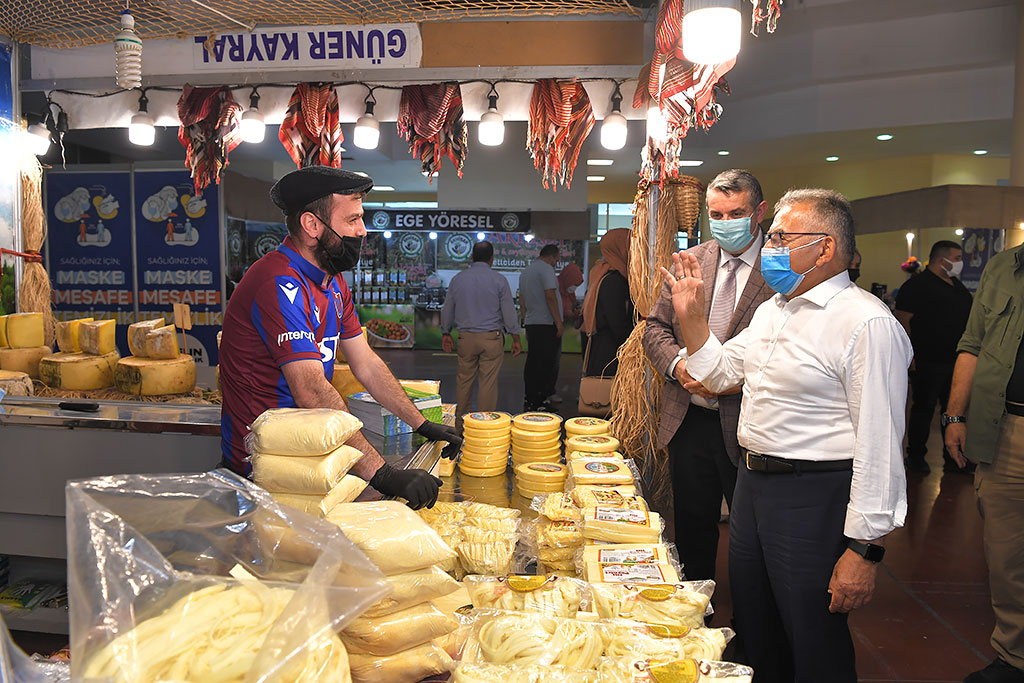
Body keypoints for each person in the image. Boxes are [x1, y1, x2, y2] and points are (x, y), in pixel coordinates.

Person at [662, 188, 912, 682]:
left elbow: (880, 447)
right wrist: (690, 319)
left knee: (812, 634)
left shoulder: (865, 322)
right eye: (771, 236)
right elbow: (716, 374)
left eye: (780, 237)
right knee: (756, 622)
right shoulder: (775, 310)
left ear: (824, 248)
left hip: (813, 493)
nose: (768, 246)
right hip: (753, 488)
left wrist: (864, 552)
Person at [218, 166, 462, 510]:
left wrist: (422, 424)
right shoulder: (277, 281)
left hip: (308, 454)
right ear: (312, 225)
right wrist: (382, 474)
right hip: (262, 470)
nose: (362, 231)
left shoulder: (332, 283)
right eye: (352, 220)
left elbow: (367, 364)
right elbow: (310, 388)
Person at [643, 169, 773, 584]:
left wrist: (731, 379)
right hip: (691, 418)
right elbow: (654, 328)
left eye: (736, 213)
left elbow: (786, 347)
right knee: (692, 525)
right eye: (716, 214)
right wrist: (679, 368)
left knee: (752, 531)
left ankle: (751, 619)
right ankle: (695, 608)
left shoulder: (781, 272)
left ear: (760, 213)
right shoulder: (691, 261)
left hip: (747, 423)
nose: (725, 223)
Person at [944, 241, 1024, 683]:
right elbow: (972, 345)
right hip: (1006, 430)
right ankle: (1014, 658)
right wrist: (955, 416)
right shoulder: (1003, 266)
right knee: (1007, 554)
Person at [895, 239, 973, 474]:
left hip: (955, 359)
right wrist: (909, 356)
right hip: (928, 359)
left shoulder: (956, 286)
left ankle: (953, 458)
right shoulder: (916, 285)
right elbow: (903, 321)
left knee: (952, 410)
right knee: (924, 409)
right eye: (957, 258)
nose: (961, 263)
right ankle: (916, 456)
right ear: (942, 260)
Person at [441, 241, 523, 430]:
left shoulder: (458, 279)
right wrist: (515, 336)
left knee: (464, 381)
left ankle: (461, 425)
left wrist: (446, 332)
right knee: (488, 382)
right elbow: (509, 312)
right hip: (491, 338)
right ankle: (483, 426)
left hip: (465, 338)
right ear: (492, 258)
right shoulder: (499, 280)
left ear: (472, 257)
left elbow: (448, 309)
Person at [583, 228, 635, 377]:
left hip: (606, 351)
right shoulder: (614, 281)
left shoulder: (603, 273)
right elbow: (617, 324)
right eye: (630, 246)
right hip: (610, 356)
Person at [519, 243, 563, 411]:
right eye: (556, 259)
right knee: (545, 362)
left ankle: (530, 397)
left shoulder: (526, 271)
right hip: (546, 324)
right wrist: (558, 322)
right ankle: (540, 400)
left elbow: (522, 300)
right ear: (551, 257)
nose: (556, 262)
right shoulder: (546, 270)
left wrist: (525, 320)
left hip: (533, 323)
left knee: (532, 362)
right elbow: (550, 296)